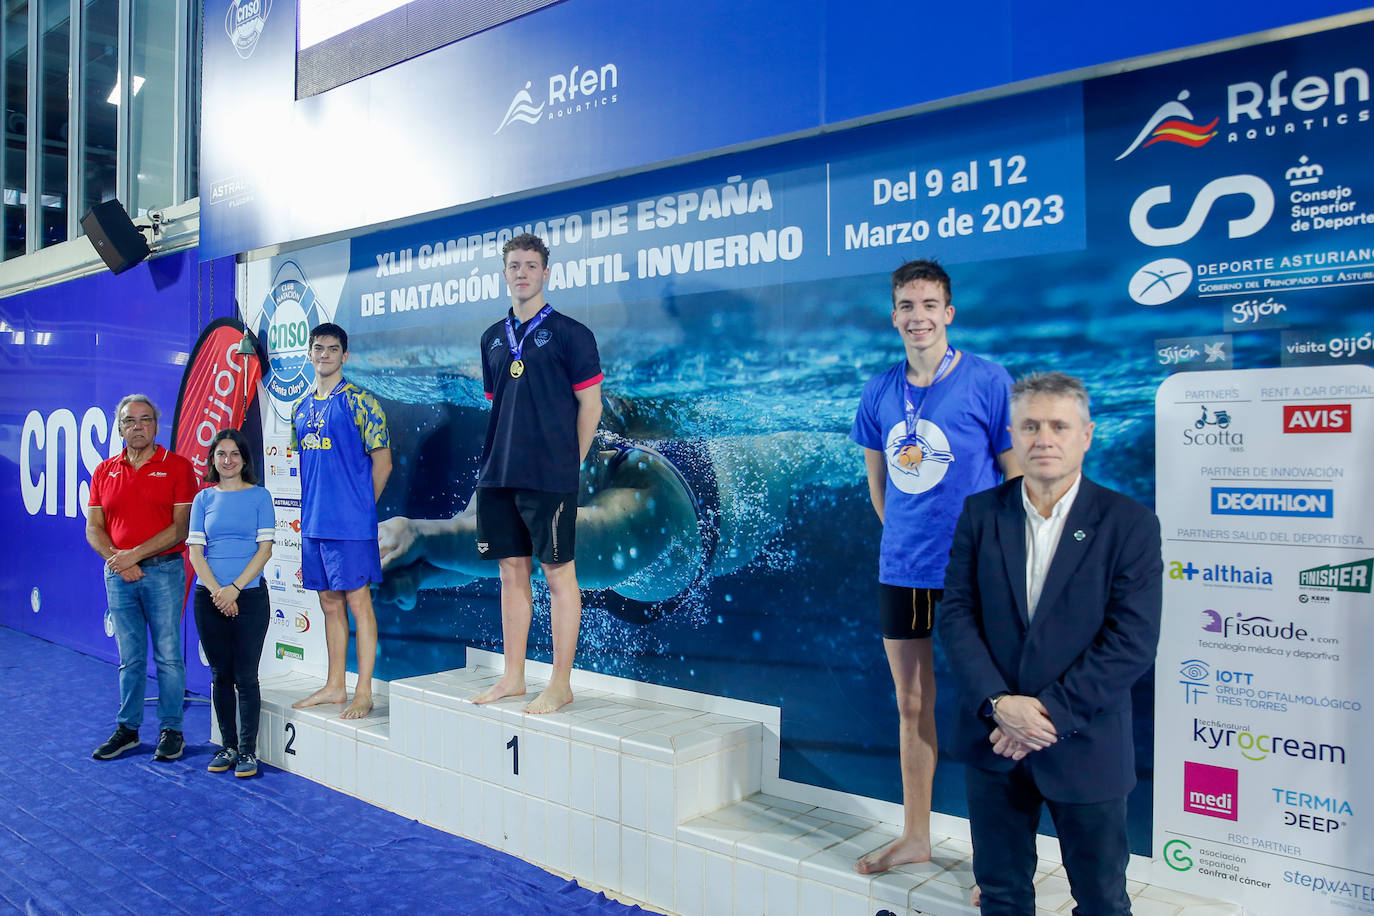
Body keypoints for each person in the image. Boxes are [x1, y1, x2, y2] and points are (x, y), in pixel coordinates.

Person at [938, 372, 1162, 915]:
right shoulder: (980, 513)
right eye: (1031, 425)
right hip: (995, 745)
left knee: (1103, 900)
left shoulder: (1129, 523)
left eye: (1059, 426)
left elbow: (1132, 640)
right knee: (1002, 894)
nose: (1045, 438)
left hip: (1085, 747)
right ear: (1012, 433)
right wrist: (998, 705)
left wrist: (1042, 716)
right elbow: (956, 615)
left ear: (1086, 434)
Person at [848, 259, 1019, 873]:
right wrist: (906, 540)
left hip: (974, 571)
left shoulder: (988, 381)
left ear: (949, 313)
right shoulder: (879, 390)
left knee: (994, 706)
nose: (917, 318)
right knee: (912, 704)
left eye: (929, 306)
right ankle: (916, 835)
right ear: (893, 315)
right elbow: (880, 488)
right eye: (906, 307)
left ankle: (1000, 859)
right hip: (902, 571)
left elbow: (1016, 479)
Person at [469, 232, 602, 714]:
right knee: (511, 574)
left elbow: (591, 405)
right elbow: (500, 407)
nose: (522, 273)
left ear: (547, 273)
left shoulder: (572, 333)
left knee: (559, 574)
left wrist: (573, 461)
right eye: (514, 266)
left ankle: (561, 683)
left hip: (550, 477)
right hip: (498, 474)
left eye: (531, 265)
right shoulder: (491, 339)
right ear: (505, 274)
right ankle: (514, 676)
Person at [86, 394, 198, 762]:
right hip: (119, 575)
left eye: (145, 419)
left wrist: (134, 555)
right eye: (130, 421)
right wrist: (119, 560)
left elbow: (180, 529)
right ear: (119, 428)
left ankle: (171, 731)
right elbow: (94, 528)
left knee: (168, 657)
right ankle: (128, 729)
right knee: (129, 658)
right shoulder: (104, 471)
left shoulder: (178, 467)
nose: (138, 427)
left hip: (164, 572)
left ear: (156, 424)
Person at [290, 322, 392, 719]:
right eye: (319, 348)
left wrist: (361, 508)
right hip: (313, 524)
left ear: (344, 356)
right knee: (329, 604)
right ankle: (335, 685)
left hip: (350, 526)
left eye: (333, 349)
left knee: (359, 603)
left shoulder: (362, 402)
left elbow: (382, 463)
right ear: (310, 354)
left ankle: (363, 689)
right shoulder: (301, 408)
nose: (326, 354)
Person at [186, 428, 275, 778]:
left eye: (234, 453)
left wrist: (235, 589)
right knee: (220, 675)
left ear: (244, 459)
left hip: (250, 597)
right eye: (220, 454)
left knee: (246, 677)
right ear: (212, 460)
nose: (227, 460)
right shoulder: (202, 500)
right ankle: (228, 746)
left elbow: (264, 549)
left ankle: (248, 753)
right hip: (209, 600)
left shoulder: (260, 497)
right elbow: (195, 553)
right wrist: (218, 593)